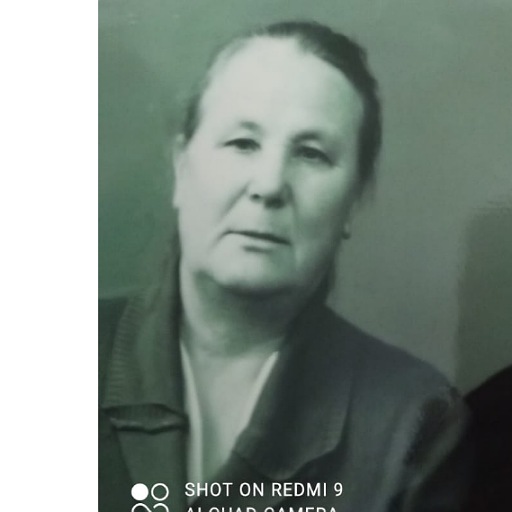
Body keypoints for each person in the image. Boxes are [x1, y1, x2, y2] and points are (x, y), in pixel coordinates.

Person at [99, 21, 472, 512]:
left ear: (354, 201)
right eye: (242, 143)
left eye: (312, 154)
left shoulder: (413, 421)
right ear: (181, 167)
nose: (269, 185)